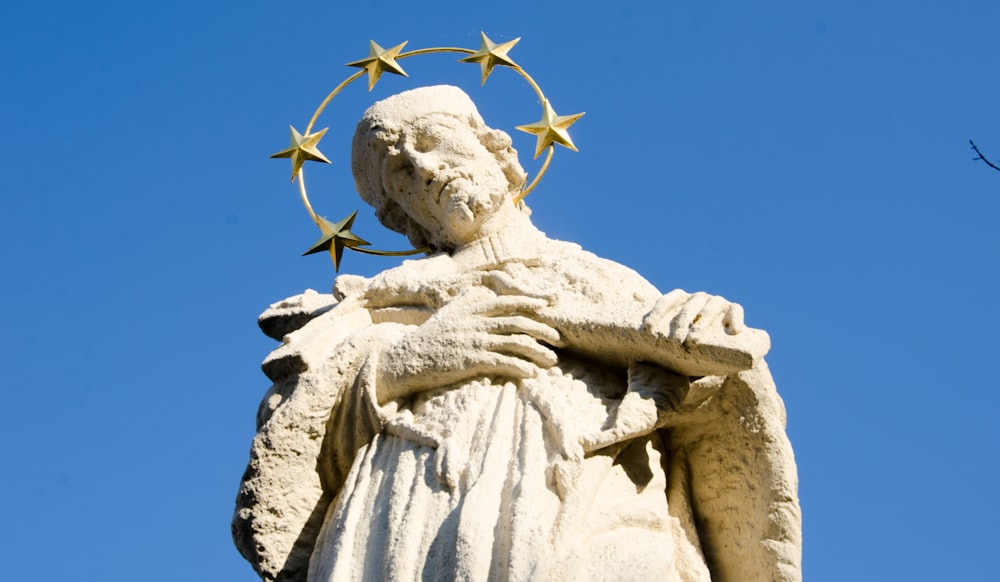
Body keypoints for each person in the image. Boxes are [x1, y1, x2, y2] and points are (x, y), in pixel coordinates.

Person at [233, 86, 801, 582]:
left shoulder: (604, 280)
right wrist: (405, 361)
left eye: (433, 141)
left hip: (586, 492)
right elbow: (297, 421)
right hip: (405, 511)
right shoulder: (373, 302)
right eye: (400, 174)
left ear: (493, 148)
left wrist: (695, 334)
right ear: (398, 214)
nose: (425, 170)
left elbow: (710, 395)